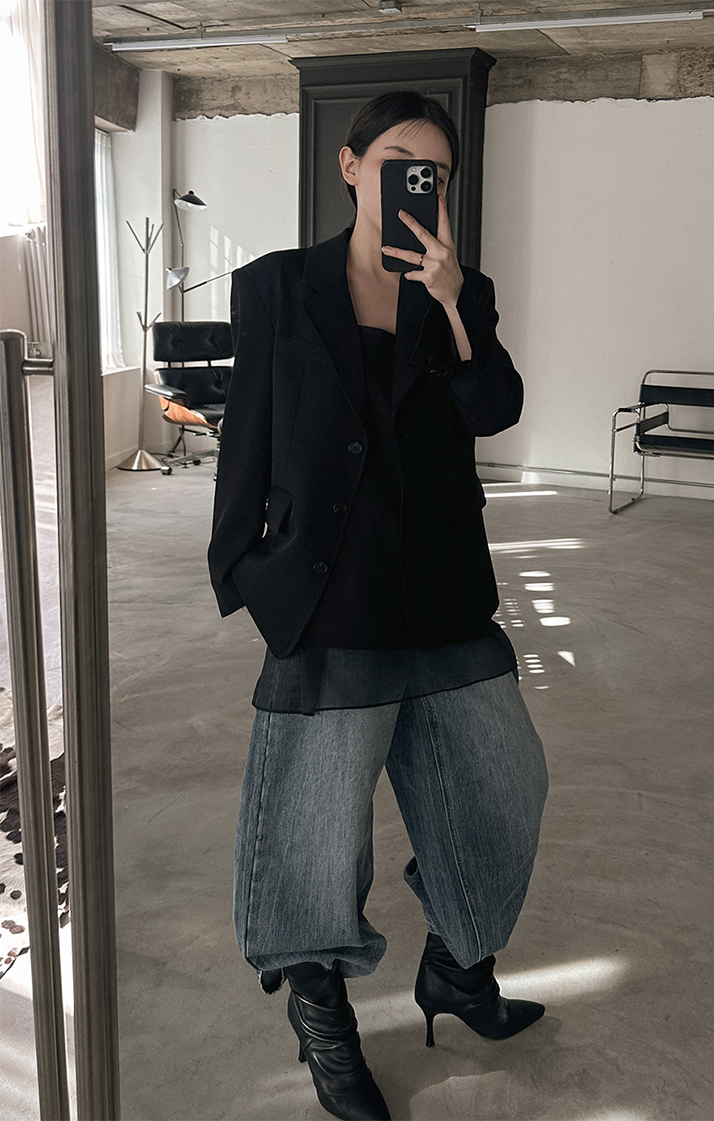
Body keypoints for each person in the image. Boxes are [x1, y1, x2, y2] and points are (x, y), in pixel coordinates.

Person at [208, 90, 549, 1121]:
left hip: (439, 584)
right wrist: (241, 565)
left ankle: (456, 967)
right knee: (314, 824)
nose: (416, 180)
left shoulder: (462, 291)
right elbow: (248, 427)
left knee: (505, 786)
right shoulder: (277, 286)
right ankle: (322, 1017)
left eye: (433, 171)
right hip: (329, 590)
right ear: (351, 166)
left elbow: (494, 408)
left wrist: (452, 302)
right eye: (399, 158)